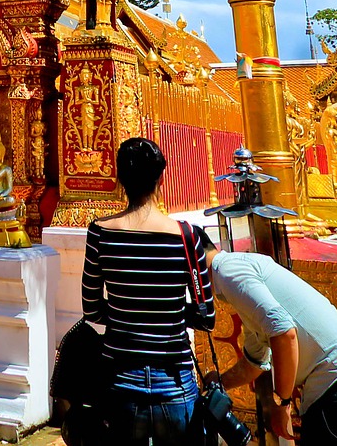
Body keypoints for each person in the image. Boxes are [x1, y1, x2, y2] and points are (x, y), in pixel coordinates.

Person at [80, 137, 214, 444]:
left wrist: (127, 315)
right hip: (174, 379)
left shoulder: (100, 233)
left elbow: (91, 309)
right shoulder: (187, 236)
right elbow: (207, 317)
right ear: (161, 179)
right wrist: (167, 313)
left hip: (119, 377)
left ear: (120, 181)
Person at [206, 244, 337, 444]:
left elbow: (284, 332)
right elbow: (255, 362)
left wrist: (281, 403)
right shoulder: (240, 271)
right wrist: (219, 382)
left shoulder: (227, 271)